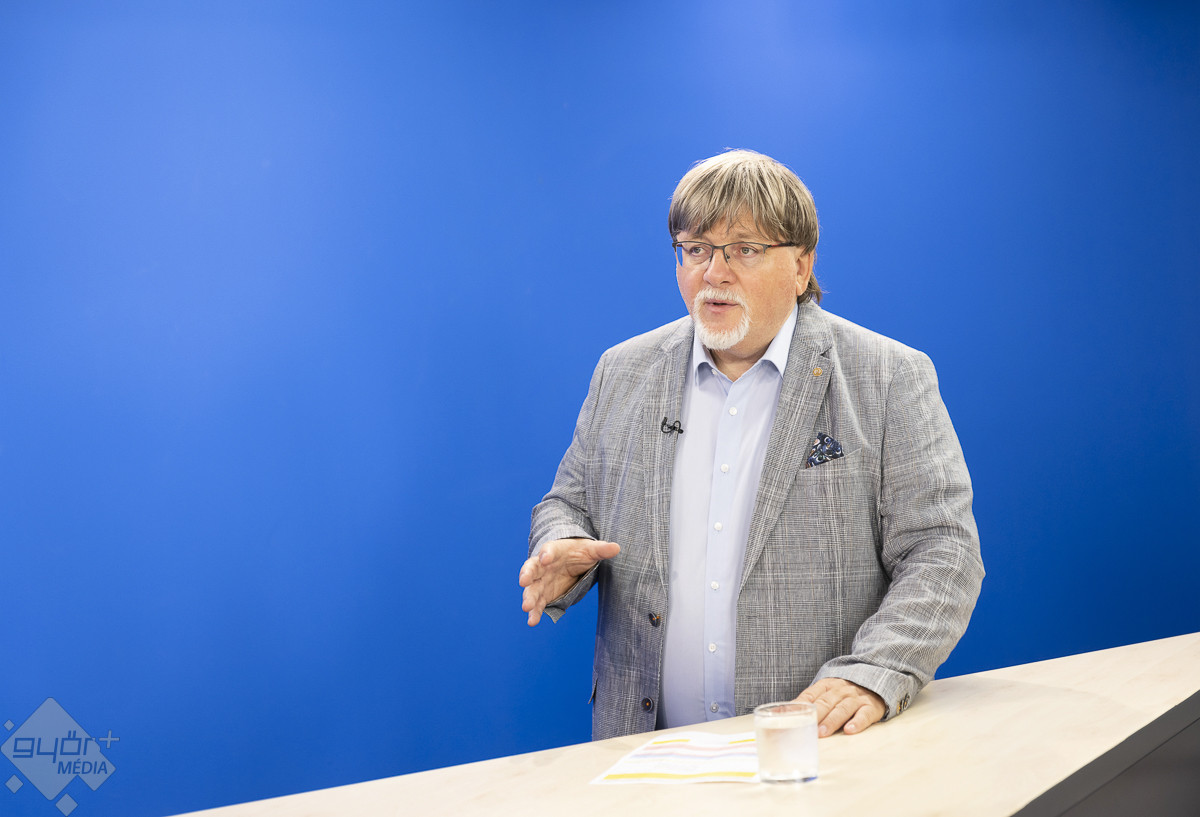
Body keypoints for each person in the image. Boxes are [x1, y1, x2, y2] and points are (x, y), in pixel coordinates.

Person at [519, 149, 983, 742]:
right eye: (696, 249)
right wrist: (562, 544)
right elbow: (569, 503)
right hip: (646, 751)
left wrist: (875, 671)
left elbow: (943, 551)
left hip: (819, 748)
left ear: (801, 265)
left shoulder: (888, 377)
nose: (714, 272)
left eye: (744, 250)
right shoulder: (622, 370)